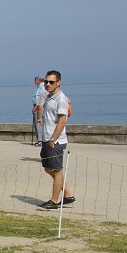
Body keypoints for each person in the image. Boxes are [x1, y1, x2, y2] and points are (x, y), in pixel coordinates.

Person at [37, 70, 75, 210]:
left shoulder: (61, 99)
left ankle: (54, 201)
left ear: (58, 82)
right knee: (48, 168)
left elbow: (62, 121)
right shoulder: (48, 97)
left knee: (57, 170)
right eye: (46, 81)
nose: (47, 84)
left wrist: (53, 138)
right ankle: (67, 194)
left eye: (51, 82)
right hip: (46, 139)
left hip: (56, 141)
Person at [32, 76, 46, 145]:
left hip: (39, 107)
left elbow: (41, 98)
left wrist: (36, 106)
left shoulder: (42, 87)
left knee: (39, 123)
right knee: (36, 123)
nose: (34, 81)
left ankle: (41, 140)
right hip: (36, 106)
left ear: (38, 80)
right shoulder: (39, 87)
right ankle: (39, 139)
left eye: (35, 80)